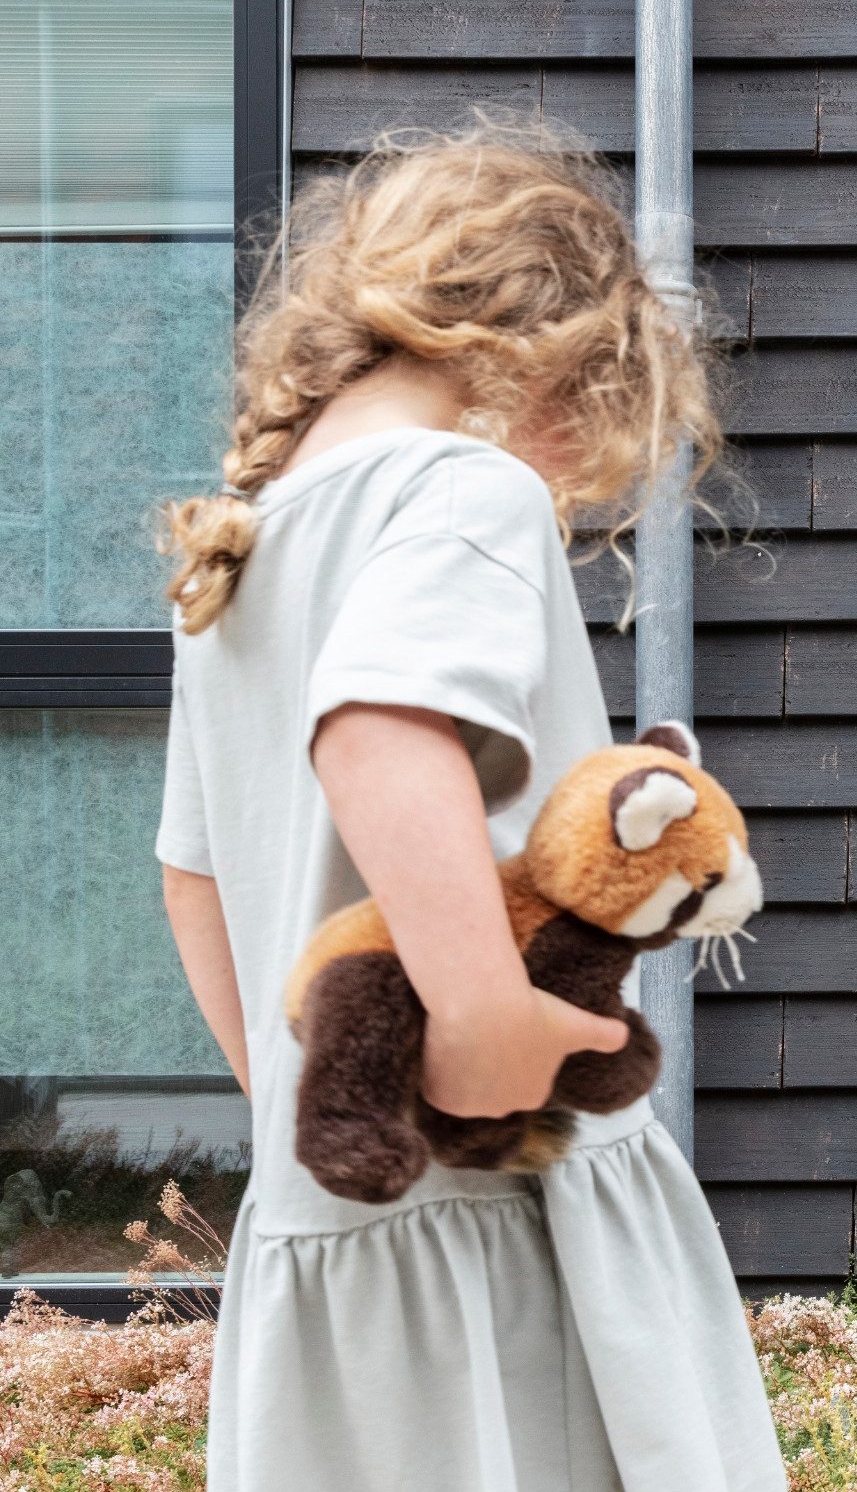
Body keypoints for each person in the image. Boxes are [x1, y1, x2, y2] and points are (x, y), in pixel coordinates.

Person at [154, 119, 786, 1492]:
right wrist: (488, 1021)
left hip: (335, 1238)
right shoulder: (468, 487)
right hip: (504, 1206)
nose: (572, 483)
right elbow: (378, 736)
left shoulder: (244, 552)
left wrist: (306, 1106)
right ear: (563, 359)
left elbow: (194, 879)